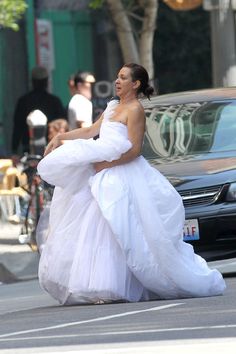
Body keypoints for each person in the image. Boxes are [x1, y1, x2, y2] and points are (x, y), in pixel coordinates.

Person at [37, 63, 226, 305]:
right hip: (100, 174)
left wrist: (106, 165)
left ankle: (125, 284)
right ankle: (99, 285)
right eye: (117, 76)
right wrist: (61, 136)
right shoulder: (113, 106)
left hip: (121, 174)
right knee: (99, 228)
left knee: (123, 228)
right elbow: (92, 131)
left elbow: (135, 150)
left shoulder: (135, 109)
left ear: (135, 84)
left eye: (123, 78)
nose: (117, 81)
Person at [11, 66, 66, 160]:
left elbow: (17, 127)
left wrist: (14, 150)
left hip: (29, 149)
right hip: (51, 148)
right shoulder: (54, 101)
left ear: (32, 82)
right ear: (47, 82)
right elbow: (63, 126)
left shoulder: (23, 101)